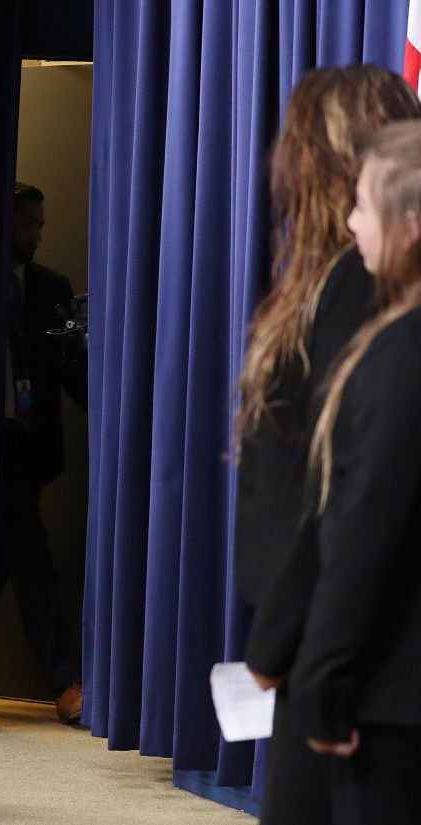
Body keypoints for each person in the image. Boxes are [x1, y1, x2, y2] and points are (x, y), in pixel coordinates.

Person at [233, 66, 421, 825]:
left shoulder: (362, 289)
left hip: (337, 646)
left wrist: (279, 646)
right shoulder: (345, 278)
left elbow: (342, 492)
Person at [287, 120, 421, 825]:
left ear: (410, 225)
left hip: (394, 705)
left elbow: (366, 533)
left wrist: (323, 680)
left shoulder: (399, 358)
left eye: (364, 205)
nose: (349, 221)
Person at [0, 182, 86, 722]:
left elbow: (72, 369)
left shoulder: (52, 287)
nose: (37, 234)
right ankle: (64, 680)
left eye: (40, 225)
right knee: (26, 564)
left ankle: (63, 679)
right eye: (27, 223)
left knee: (13, 560)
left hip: (26, 448)